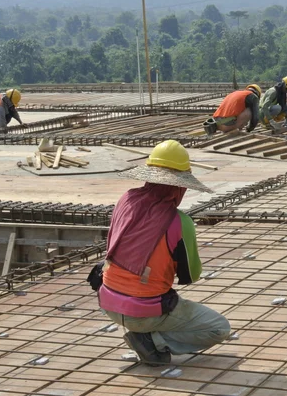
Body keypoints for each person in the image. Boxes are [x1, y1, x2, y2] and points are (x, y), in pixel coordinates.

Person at [94, 140, 230, 366]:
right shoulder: (180, 222)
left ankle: (146, 334)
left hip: (108, 301)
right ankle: (152, 340)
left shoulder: (126, 200)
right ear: (181, 186)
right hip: (146, 312)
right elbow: (190, 276)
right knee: (219, 328)